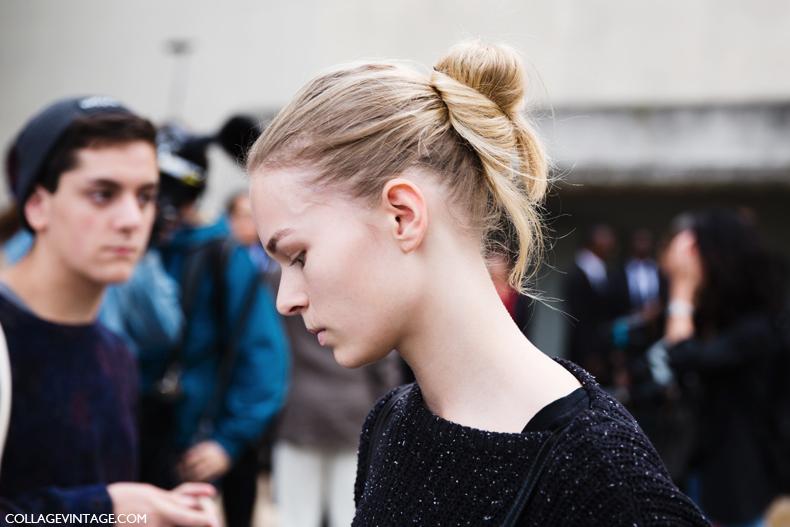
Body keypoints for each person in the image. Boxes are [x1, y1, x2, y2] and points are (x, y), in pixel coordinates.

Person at [245, 40, 709, 525]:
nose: (286, 300)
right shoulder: (392, 425)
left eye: (298, 256)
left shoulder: (602, 479)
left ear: (403, 216)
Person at [0, 96, 218, 525]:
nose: (132, 219)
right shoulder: (7, 336)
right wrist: (106, 510)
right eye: (103, 194)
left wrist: (160, 510)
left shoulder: (116, 352)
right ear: (37, 205)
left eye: (146, 196)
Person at [137, 124, 289, 527]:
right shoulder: (136, 249)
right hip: (139, 445)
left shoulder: (222, 257)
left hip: (200, 454)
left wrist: (227, 443)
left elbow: (265, 359)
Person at [651, 210, 790, 526]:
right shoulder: (713, 320)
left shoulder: (760, 328)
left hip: (744, 487)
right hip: (703, 473)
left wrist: (682, 291)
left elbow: (683, 357)